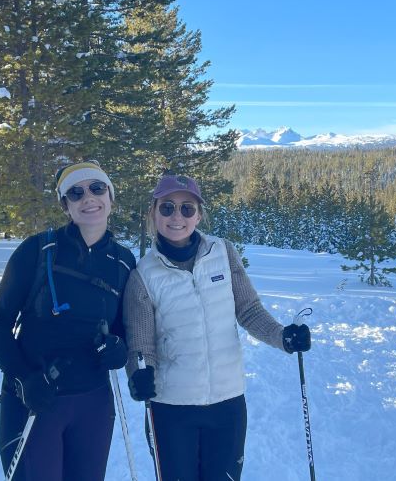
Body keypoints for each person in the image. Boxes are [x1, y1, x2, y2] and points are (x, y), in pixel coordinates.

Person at [123, 173, 311, 481]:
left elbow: (249, 310)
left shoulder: (222, 253)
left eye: (187, 208)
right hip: (171, 409)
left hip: (228, 405)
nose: (177, 216)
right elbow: (141, 345)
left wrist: (283, 337)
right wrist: (139, 375)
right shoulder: (143, 276)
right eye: (167, 207)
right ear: (153, 213)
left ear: (198, 214)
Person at [0, 161, 136, 480]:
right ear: (65, 204)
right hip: (35, 400)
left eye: (97, 188)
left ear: (110, 195)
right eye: (75, 192)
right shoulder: (37, 250)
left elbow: (123, 328)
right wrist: (24, 377)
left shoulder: (124, 261)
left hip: (93, 403)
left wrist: (119, 349)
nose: (88, 198)